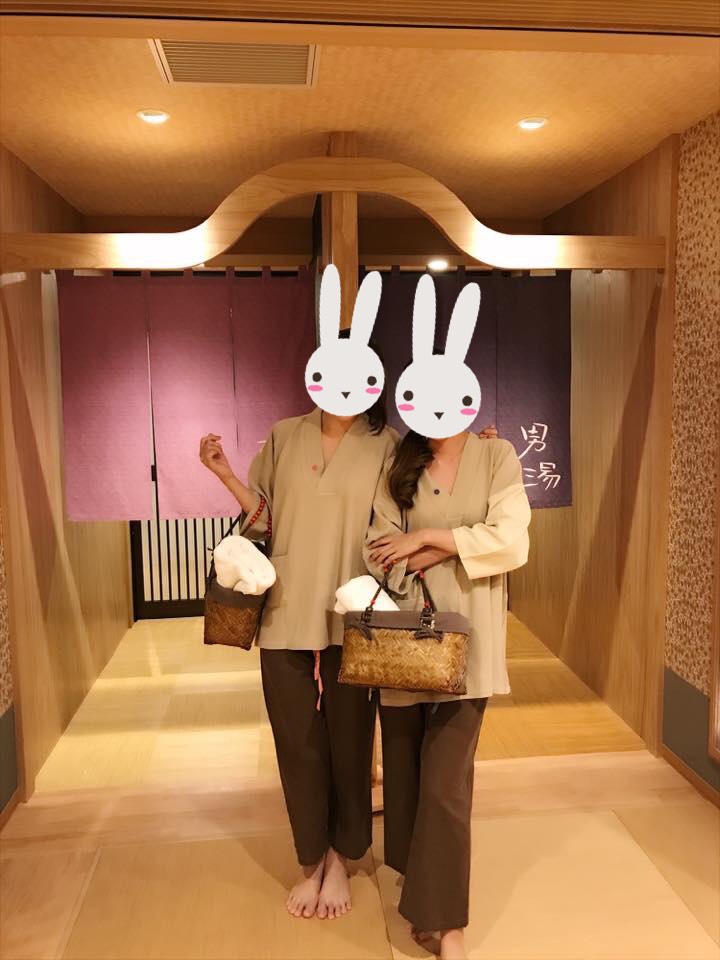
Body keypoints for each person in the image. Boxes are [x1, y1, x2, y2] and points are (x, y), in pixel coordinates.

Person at [364, 426, 531, 959]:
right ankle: (423, 898)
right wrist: (443, 545)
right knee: (407, 779)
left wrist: (426, 539)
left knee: (446, 787)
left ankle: (448, 926)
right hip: (402, 647)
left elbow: (511, 539)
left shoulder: (496, 455)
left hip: (470, 651)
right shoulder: (400, 458)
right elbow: (378, 550)